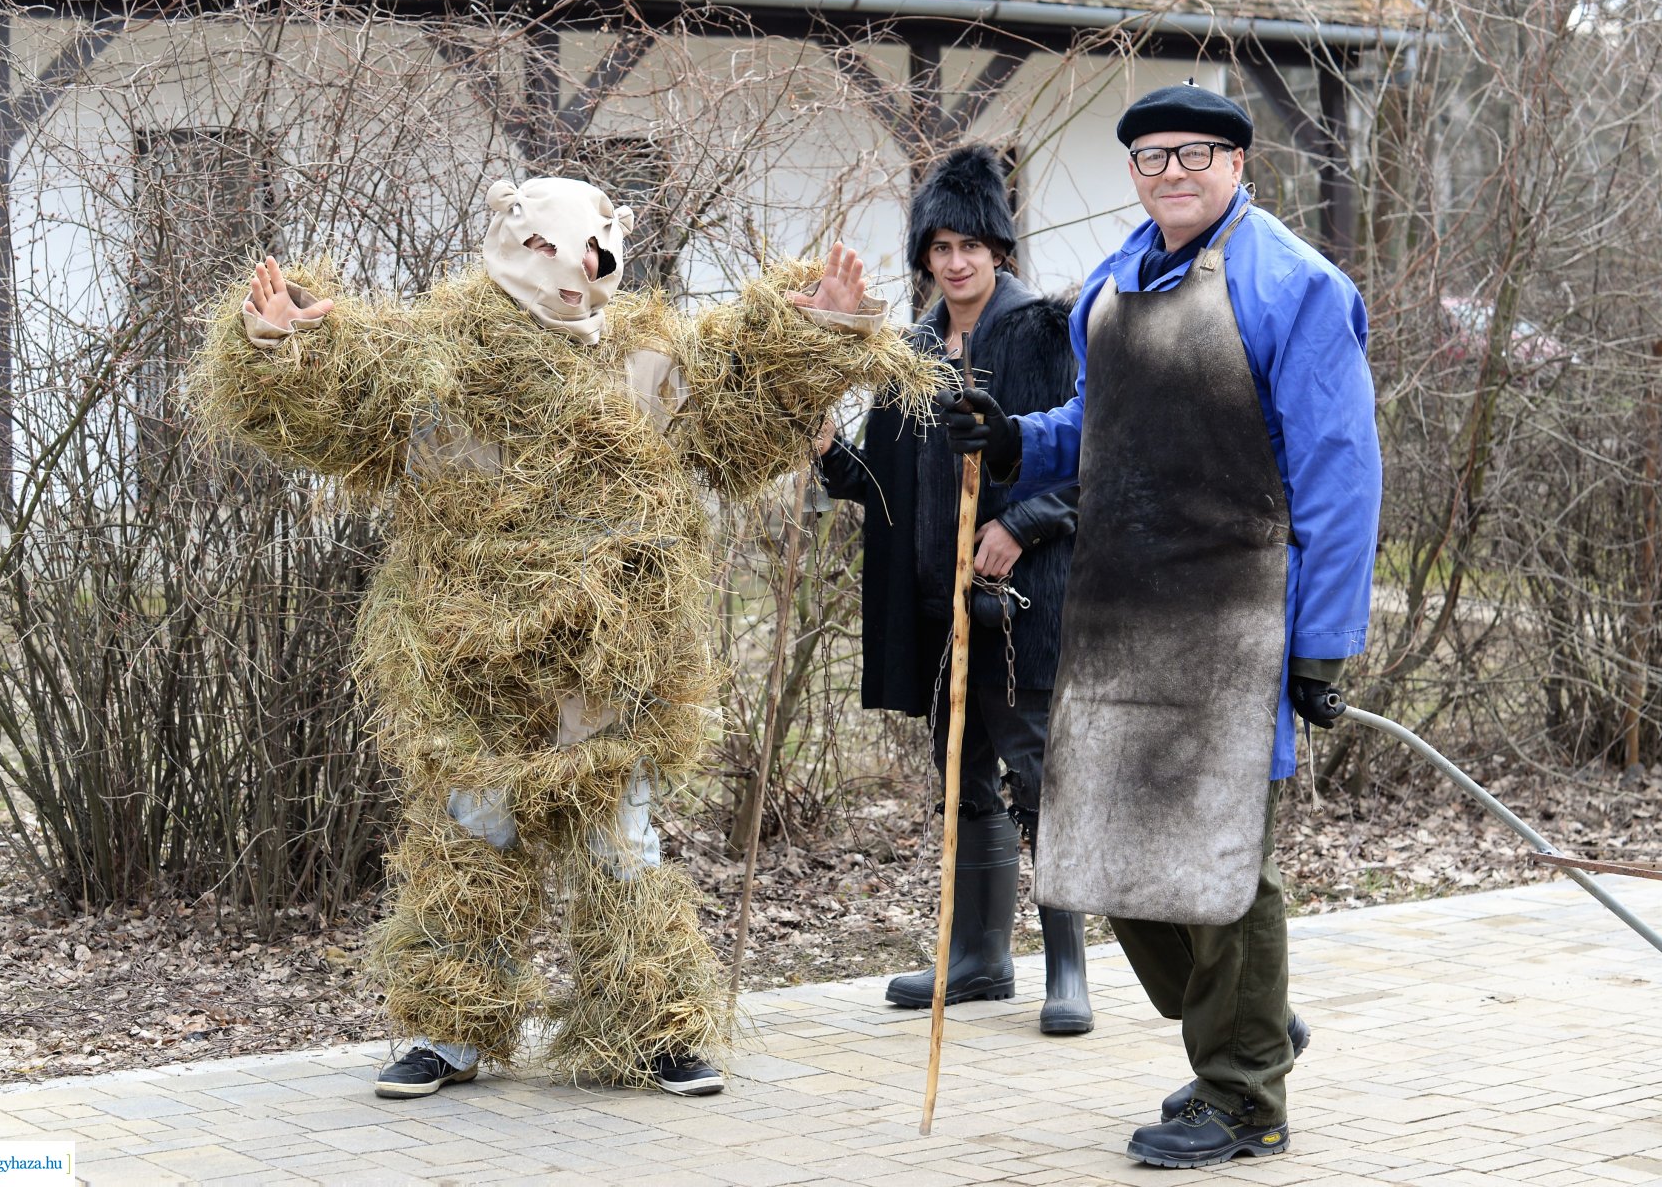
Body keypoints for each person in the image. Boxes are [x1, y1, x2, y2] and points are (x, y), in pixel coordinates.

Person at [193, 177, 938, 1102]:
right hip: (473, 660)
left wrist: (815, 333)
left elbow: (732, 423)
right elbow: (340, 407)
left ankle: (656, 1030)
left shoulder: (645, 355)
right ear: (511, 239)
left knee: (620, 841)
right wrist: (284, 340)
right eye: (545, 246)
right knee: (475, 836)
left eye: (587, 248)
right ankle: (446, 1030)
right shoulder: (439, 352)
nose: (571, 268)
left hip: (608, 664)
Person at [938, 84, 1381, 1168]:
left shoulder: (1296, 286)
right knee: (1107, 850)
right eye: (1150, 158)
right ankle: (1251, 1028)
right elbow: (1098, 424)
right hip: (1121, 608)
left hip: (1238, 615)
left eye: (1193, 154)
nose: (1170, 172)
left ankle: (1245, 1097)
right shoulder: (1113, 283)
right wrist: (1012, 440)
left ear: (1238, 163)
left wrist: (1321, 642)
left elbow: (1340, 473)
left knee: (1220, 860)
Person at [818, 145, 1092, 1034]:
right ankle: (978, 960)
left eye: (971, 244)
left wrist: (1022, 523)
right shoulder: (916, 351)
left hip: (1026, 603)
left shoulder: (1046, 334)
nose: (957, 262)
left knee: (1040, 781)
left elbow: (1095, 463)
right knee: (962, 778)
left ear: (1000, 247)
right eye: (939, 247)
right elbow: (886, 480)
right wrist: (828, 451)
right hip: (941, 605)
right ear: (925, 258)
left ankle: (1068, 970)